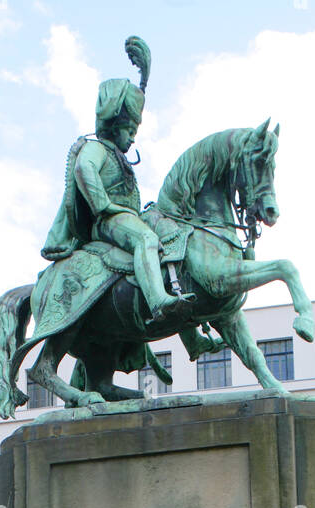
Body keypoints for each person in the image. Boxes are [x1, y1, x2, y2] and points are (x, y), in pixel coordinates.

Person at [42, 37, 187, 322]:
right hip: (107, 222)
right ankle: (158, 301)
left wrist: (143, 83)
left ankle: (191, 335)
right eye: (130, 128)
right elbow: (84, 169)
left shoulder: (118, 155)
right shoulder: (96, 148)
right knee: (146, 238)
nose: (133, 136)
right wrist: (103, 206)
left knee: (172, 240)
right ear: (115, 125)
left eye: (135, 129)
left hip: (125, 216)